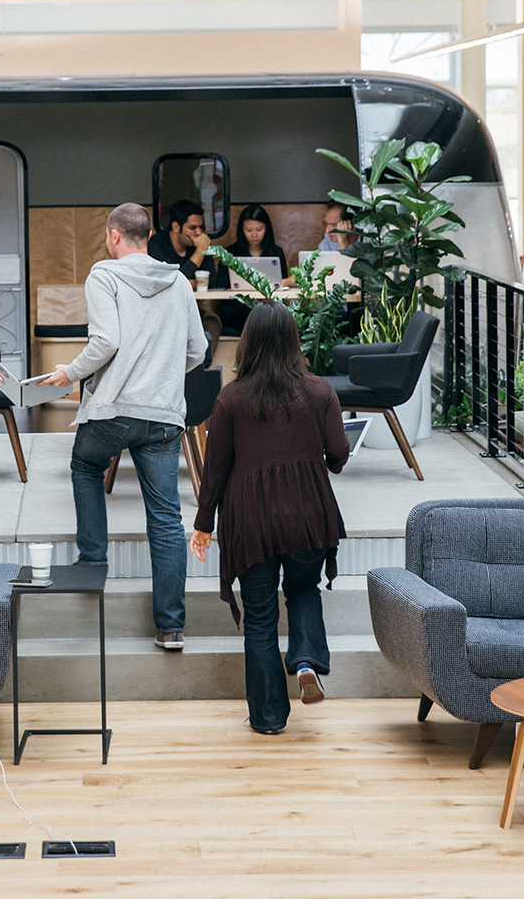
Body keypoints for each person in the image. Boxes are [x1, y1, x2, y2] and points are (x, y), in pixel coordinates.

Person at [41, 202, 207, 651]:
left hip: (114, 411)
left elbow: (107, 341)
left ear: (115, 236)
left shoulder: (104, 275)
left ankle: (93, 564)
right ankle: (171, 627)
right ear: (150, 234)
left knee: (84, 466)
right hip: (164, 416)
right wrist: (163, 376)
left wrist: (70, 373)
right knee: (167, 518)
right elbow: (198, 351)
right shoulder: (178, 280)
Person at [191, 301, 349, 735]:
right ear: (294, 341)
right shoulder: (320, 392)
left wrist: (203, 524)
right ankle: (304, 660)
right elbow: (337, 456)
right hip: (307, 515)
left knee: (260, 618)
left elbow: (216, 469)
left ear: (249, 343)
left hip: (252, 521)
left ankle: (267, 718)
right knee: (303, 589)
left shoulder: (231, 399)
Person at [210, 205, 288, 331]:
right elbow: (220, 285)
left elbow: (282, 284)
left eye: (259, 229)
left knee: (269, 316)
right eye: (249, 230)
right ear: (242, 230)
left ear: (266, 229)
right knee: (252, 317)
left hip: (268, 307)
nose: (254, 235)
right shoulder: (230, 253)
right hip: (237, 308)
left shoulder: (275, 252)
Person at [146, 199, 211, 280]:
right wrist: (200, 251)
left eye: (201, 227)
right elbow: (171, 282)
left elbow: (210, 281)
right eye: (192, 228)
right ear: (176, 227)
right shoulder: (156, 244)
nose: (198, 232)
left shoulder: (202, 241)